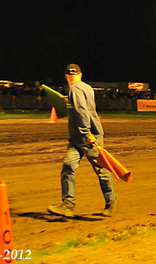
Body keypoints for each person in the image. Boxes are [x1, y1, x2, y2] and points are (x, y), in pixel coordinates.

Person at [47, 64, 117, 218]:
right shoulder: (87, 88)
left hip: (86, 137)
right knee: (70, 167)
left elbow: (82, 111)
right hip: (80, 138)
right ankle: (68, 204)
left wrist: (86, 133)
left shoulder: (74, 89)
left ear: (66, 77)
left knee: (98, 170)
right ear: (80, 75)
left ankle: (110, 201)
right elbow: (85, 107)